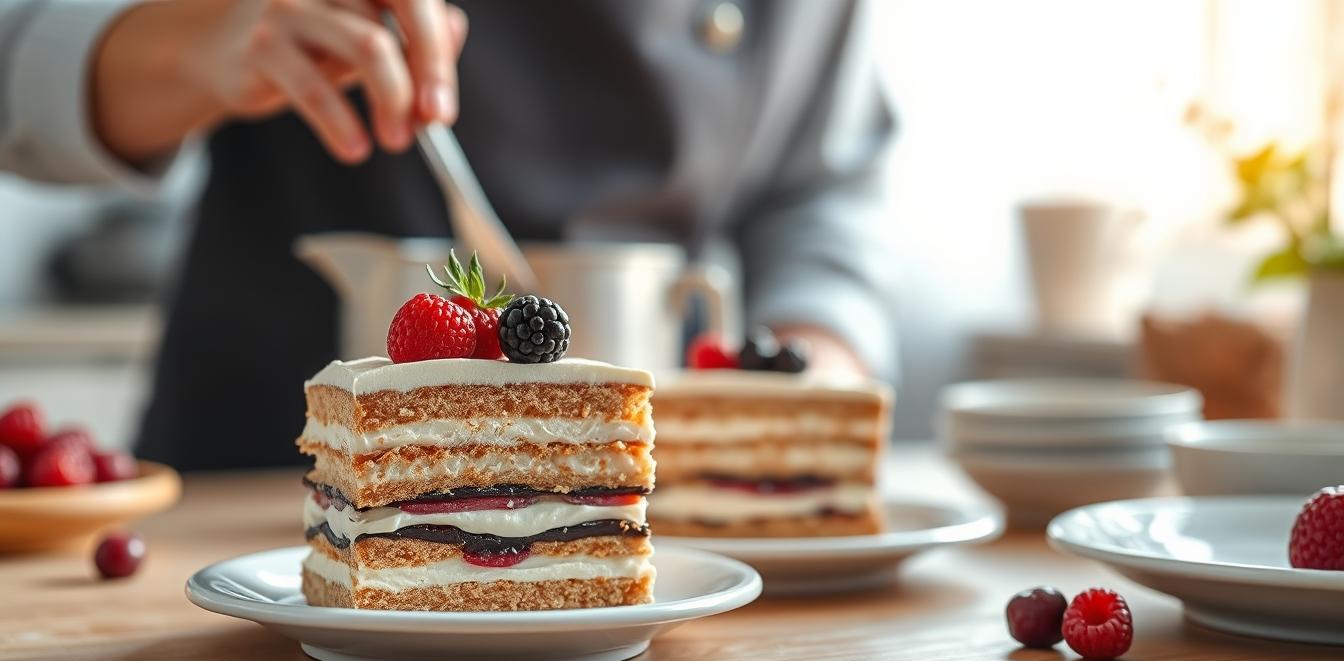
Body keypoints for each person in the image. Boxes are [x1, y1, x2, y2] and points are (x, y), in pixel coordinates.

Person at [0, 0, 898, 470]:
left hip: (663, 534)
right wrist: (187, 41)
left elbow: (822, 181)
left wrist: (809, 372)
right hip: (244, 493)